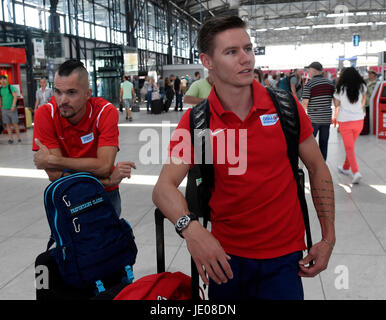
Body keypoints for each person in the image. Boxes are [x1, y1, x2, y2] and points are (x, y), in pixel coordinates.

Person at [152, 16, 335, 300]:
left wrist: (327, 238)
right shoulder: (199, 123)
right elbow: (164, 188)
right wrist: (193, 231)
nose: (246, 59)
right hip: (225, 260)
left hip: (284, 260)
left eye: (248, 49)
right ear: (207, 61)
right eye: (231, 52)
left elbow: (317, 167)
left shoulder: (284, 108)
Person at [32, 59, 136, 217]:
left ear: (88, 94)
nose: (63, 100)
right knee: (72, 240)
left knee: (109, 240)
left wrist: (54, 160)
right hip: (69, 196)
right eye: (58, 92)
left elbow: (104, 167)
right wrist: (106, 181)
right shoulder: (45, 114)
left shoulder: (105, 112)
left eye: (71, 92)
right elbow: (55, 176)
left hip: (105, 196)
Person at [332, 67, 367, 184]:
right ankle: (346, 168)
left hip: (345, 121)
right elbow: (363, 102)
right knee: (350, 146)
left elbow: (336, 105)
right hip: (359, 120)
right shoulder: (362, 86)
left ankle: (356, 172)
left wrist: (335, 117)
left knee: (349, 147)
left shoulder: (340, 88)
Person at [302, 62, 335, 161]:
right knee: (324, 143)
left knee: (309, 143)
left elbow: (304, 103)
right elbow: (336, 101)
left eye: (309, 70)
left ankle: (312, 162)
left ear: (314, 70)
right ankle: (322, 164)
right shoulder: (329, 83)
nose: (308, 72)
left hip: (314, 119)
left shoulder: (309, 84)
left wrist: (302, 118)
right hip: (326, 119)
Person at [0, 75, 22, 144]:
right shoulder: (0, 89)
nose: (3, 81)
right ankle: (11, 139)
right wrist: (0, 108)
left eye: (4, 79)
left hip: (12, 109)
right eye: (1, 80)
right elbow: (0, 99)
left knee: (15, 124)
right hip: (4, 109)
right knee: (7, 125)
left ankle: (19, 138)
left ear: (6, 80)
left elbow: (15, 96)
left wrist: (13, 105)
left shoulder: (10, 87)